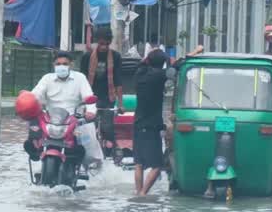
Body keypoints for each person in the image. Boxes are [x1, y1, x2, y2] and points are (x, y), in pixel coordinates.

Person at [131, 45, 204, 196]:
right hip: (151, 126)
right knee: (157, 166)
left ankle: (138, 193)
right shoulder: (158, 76)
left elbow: (149, 64)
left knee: (138, 163)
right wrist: (195, 51)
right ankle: (143, 193)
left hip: (137, 124)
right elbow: (178, 64)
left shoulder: (139, 73)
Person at [78, 29, 123, 161]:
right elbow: (82, 80)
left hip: (108, 97)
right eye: (102, 44)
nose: (104, 47)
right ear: (97, 42)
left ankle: (111, 151)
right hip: (90, 98)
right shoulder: (87, 57)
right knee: (88, 128)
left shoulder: (116, 57)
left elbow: (118, 81)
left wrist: (120, 104)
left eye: (107, 44)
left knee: (107, 127)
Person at [31, 51, 95, 117]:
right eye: (58, 64)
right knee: (34, 126)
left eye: (65, 64)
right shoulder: (47, 78)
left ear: (71, 65)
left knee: (90, 126)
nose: (61, 66)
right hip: (52, 119)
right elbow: (36, 94)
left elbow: (88, 95)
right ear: (54, 65)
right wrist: (27, 98)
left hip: (75, 118)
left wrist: (90, 111)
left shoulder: (80, 77)